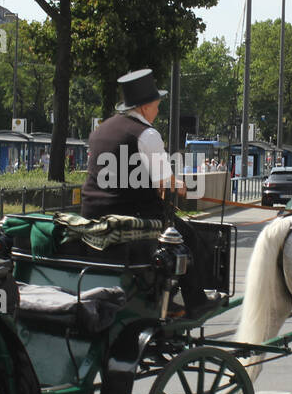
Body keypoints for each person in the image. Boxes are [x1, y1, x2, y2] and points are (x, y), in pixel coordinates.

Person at [80, 69, 214, 314]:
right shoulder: (146, 134)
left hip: (91, 213)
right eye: (157, 105)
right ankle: (196, 302)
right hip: (131, 216)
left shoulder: (102, 129)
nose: (158, 110)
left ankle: (163, 297)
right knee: (188, 237)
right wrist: (181, 186)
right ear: (144, 107)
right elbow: (167, 181)